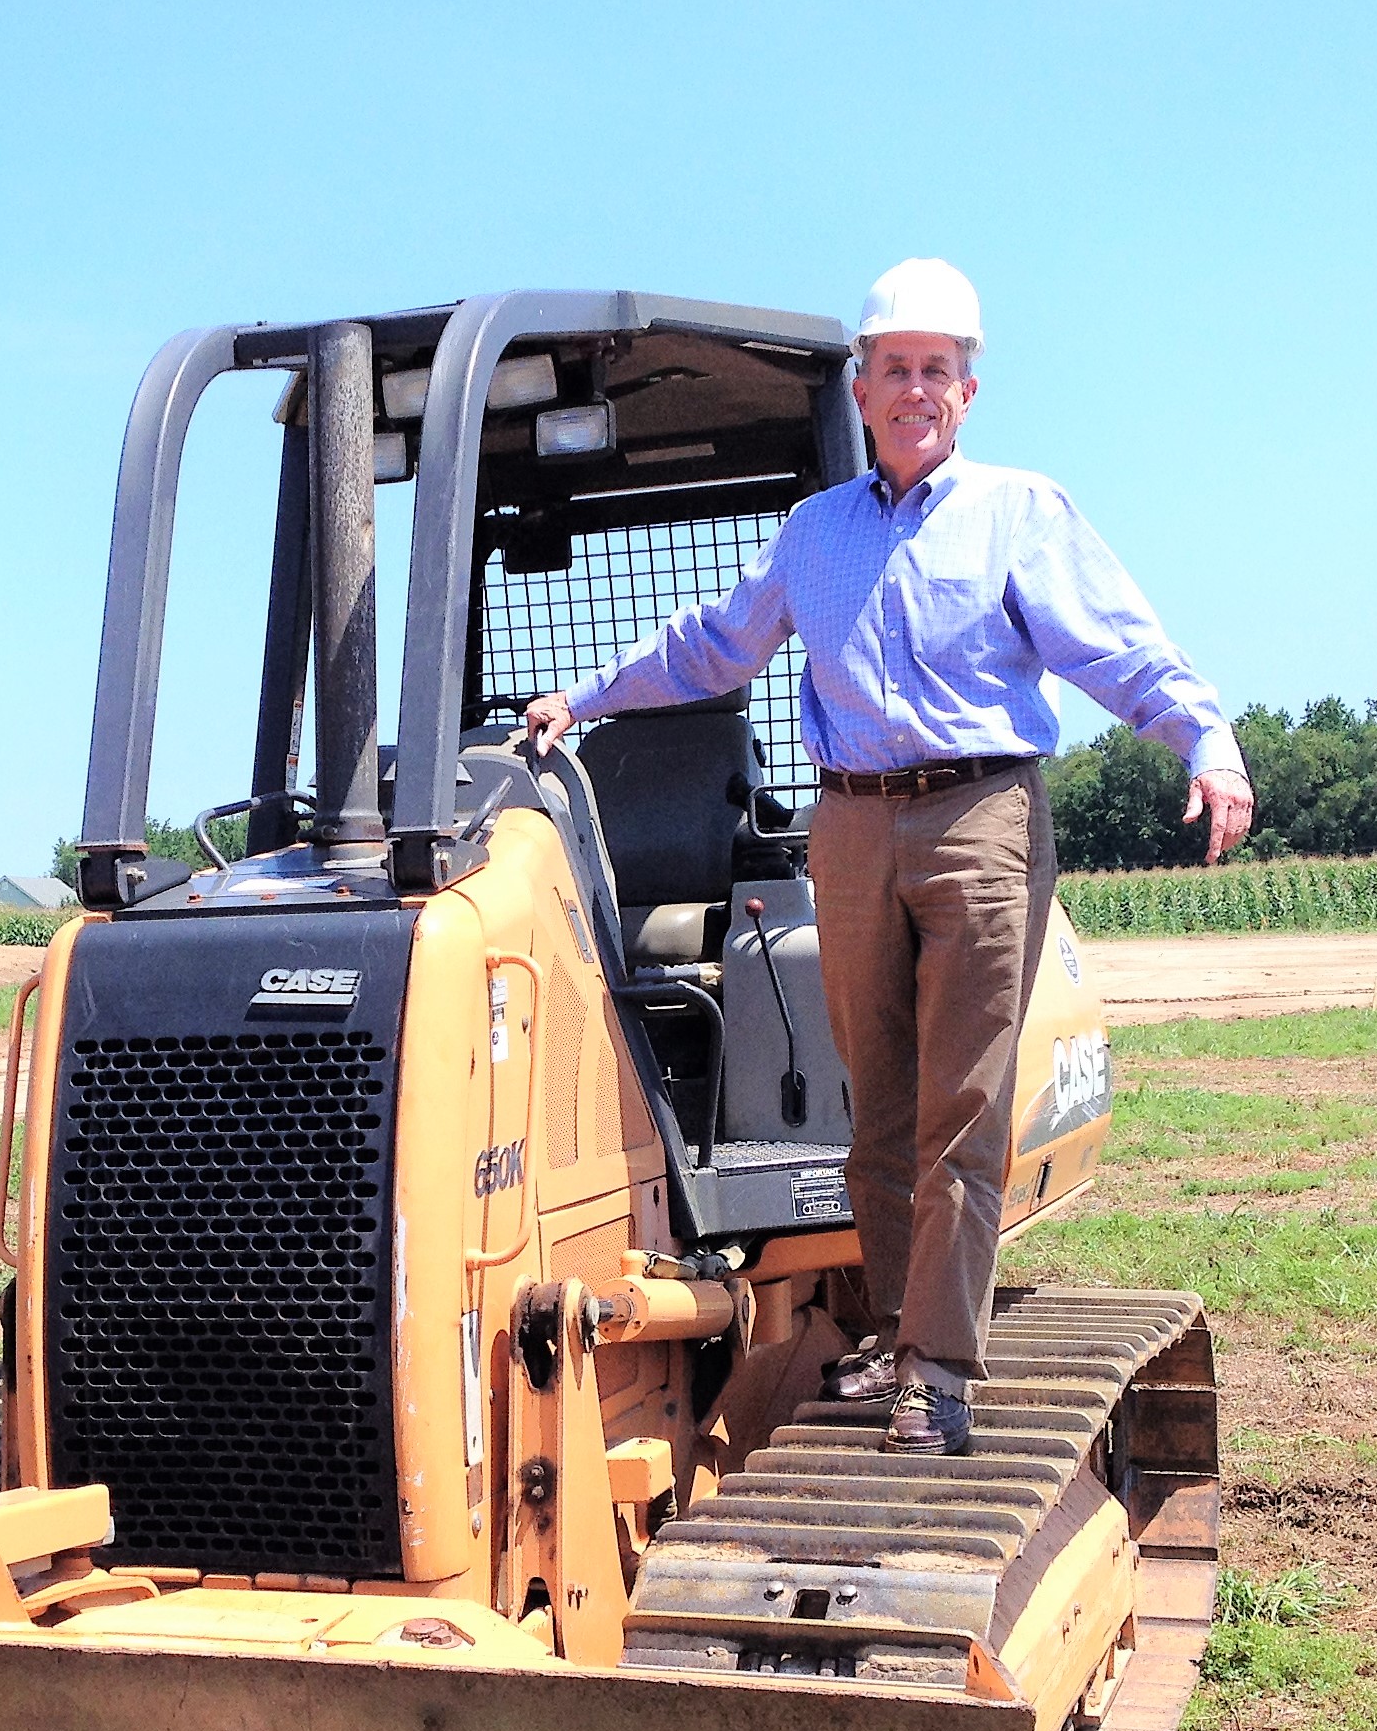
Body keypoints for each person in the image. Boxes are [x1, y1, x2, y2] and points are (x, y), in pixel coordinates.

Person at [524, 257, 1252, 1453]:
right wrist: (586, 695)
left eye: (936, 370)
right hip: (852, 826)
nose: (914, 389)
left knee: (963, 1108)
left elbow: (1119, 650)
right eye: (894, 369)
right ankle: (894, 1334)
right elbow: (716, 647)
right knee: (874, 1116)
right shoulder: (815, 535)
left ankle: (942, 1372)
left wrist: (1204, 741)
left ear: (967, 392)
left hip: (980, 821)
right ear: (862, 390)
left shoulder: (1021, 513)